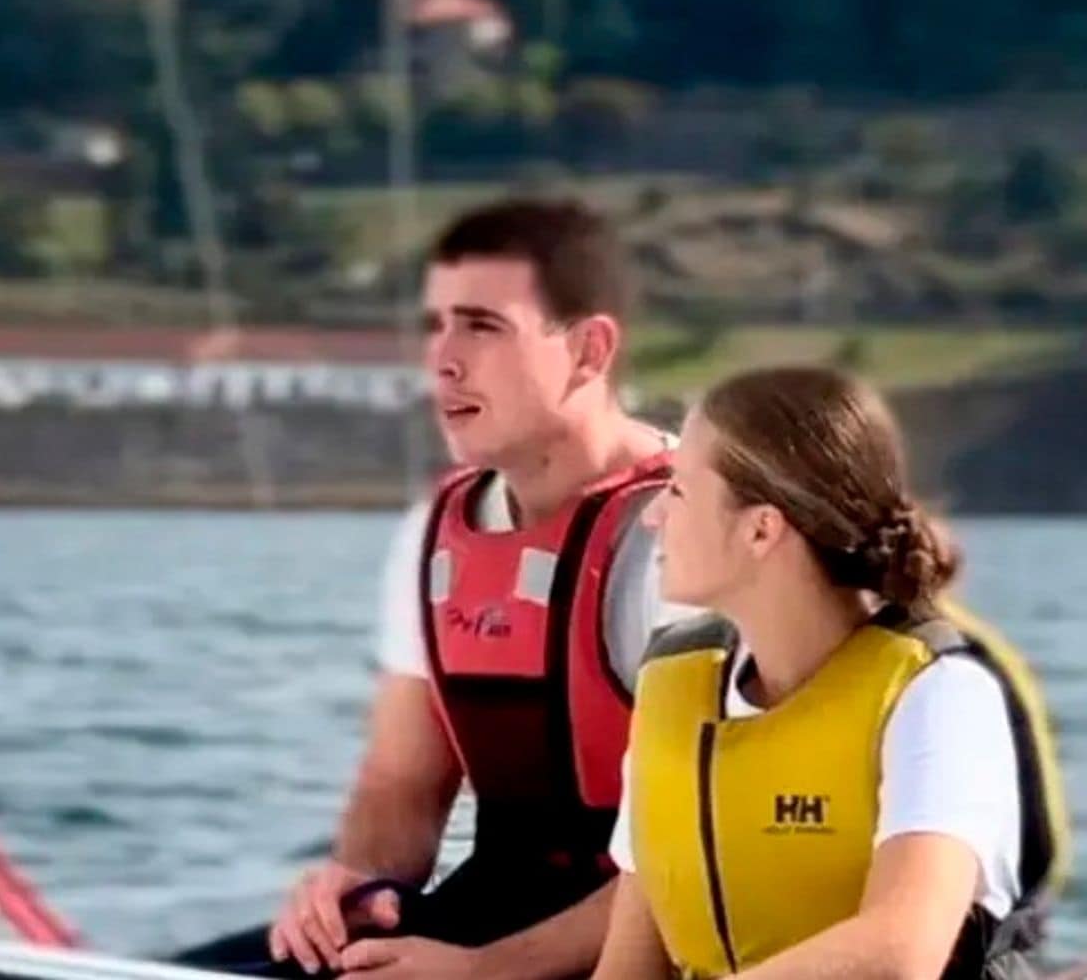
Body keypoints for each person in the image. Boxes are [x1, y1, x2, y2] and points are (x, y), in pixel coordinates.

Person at [177, 199, 698, 980]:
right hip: (487, 918)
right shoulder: (435, 531)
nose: (443, 361)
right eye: (435, 327)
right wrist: (356, 888)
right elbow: (402, 780)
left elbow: (708, 851)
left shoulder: (694, 532)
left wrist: (484, 972)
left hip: (656, 945)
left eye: (482, 327)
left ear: (589, 350)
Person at [593, 366, 1065, 979]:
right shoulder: (672, 691)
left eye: (678, 491)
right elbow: (628, 968)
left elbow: (900, 954)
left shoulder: (938, 696)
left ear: (761, 528)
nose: (654, 516)